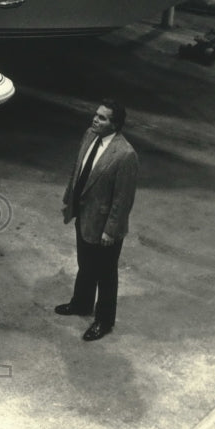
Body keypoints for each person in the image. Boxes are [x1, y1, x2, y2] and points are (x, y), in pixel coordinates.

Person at [56, 99, 138, 341]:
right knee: (85, 263)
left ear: (115, 125)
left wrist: (110, 231)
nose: (95, 119)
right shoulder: (90, 135)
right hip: (84, 213)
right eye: (96, 114)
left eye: (102, 118)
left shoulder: (125, 155)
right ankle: (81, 303)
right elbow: (78, 169)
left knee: (105, 274)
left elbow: (123, 199)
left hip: (104, 226)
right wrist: (69, 200)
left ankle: (104, 320)